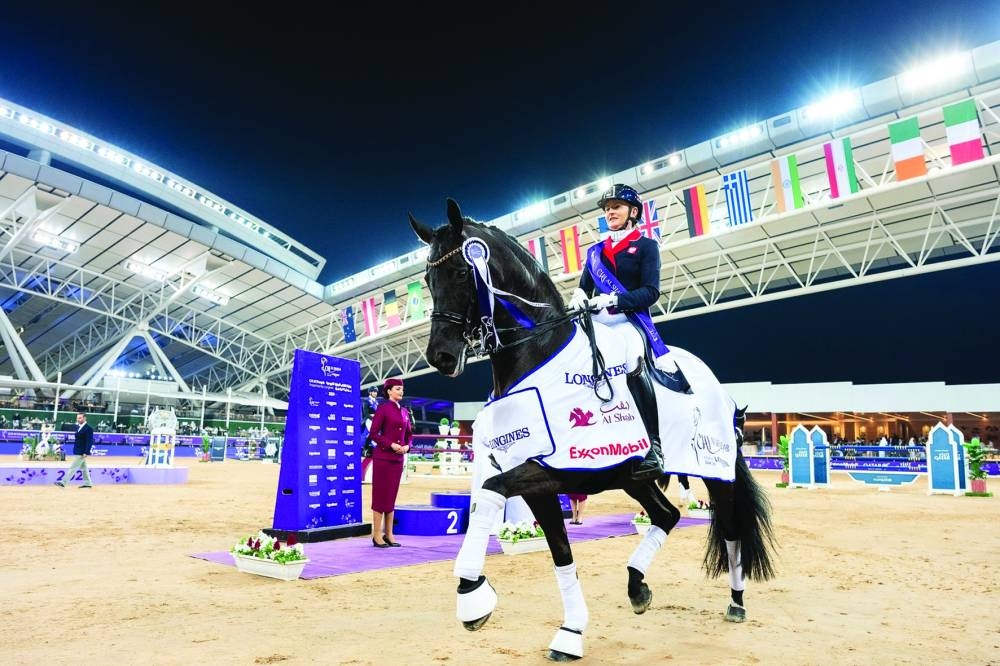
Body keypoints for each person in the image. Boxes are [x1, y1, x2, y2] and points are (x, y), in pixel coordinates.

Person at [568, 183, 664, 480]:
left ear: (633, 212)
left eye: (616, 207)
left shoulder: (647, 246)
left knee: (633, 360)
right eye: (607, 208)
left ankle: (654, 446)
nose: (610, 211)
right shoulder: (595, 252)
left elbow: (651, 291)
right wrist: (578, 296)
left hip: (629, 322)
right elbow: (584, 287)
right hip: (596, 324)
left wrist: (616, 300)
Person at [367, 377, 412, 548]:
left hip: (398, 460)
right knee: (380, 495)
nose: (401, 391)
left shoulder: (405, 412)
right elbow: (374, 434)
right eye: (398, 389)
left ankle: (389, 534)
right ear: (389, 391)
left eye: (402, 389)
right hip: (383, 458)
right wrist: (390, 444)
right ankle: (377, 534)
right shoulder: (383, 408)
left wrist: (407, 446)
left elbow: (409, 435)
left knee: (391, 496)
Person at [55, 412, 94, 488]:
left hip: (82, 452)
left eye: (80, 418)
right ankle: (88, 483)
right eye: (77, 418)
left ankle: (63, 482)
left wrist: (86, 452)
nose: (78, 419)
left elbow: (89, 441)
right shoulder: (79, 427)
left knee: (73, 468)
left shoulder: (89, 428)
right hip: (78, 450)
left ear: (84, 418)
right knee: (84, 469)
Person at [360, 386, 380, 482]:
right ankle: (364, 449)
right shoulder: (366, 401)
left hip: (375, 420)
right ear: (370, 392)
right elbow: (366, 413)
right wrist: (374, 417)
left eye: (376, 392)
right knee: (370, 432)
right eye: (374, 392)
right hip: (368, 420)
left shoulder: (376, 402)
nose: (375, 393)